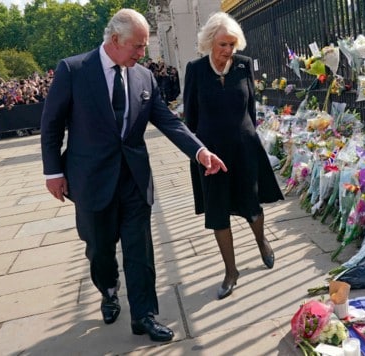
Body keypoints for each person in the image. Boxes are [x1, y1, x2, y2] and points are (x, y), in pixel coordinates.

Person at [40, 8, 227, 342]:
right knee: (99, 248)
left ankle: (144, 315)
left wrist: (200, 151)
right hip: (91, 179)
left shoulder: (143, 77)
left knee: (140, 249)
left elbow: (168, 121)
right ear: (115, 40)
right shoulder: (74, 70)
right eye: (137, 47)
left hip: (134, 179)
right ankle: (108, 289)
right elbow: (51, 124)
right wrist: (53, 171)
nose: (143, 54)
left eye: (143, 47)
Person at [183, 12, 284, 300]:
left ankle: (261, 240)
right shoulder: (196, 70)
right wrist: (198, 152)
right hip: (211, 155)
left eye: (232, 44)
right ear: (209, 42)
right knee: (218, 213)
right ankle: (231, 271)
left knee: (251, 204)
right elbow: (190, 117)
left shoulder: (243, 65)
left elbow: (250, 106)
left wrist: (249, 136)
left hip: (243, 148)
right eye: (222, 44)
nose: (227, 51)